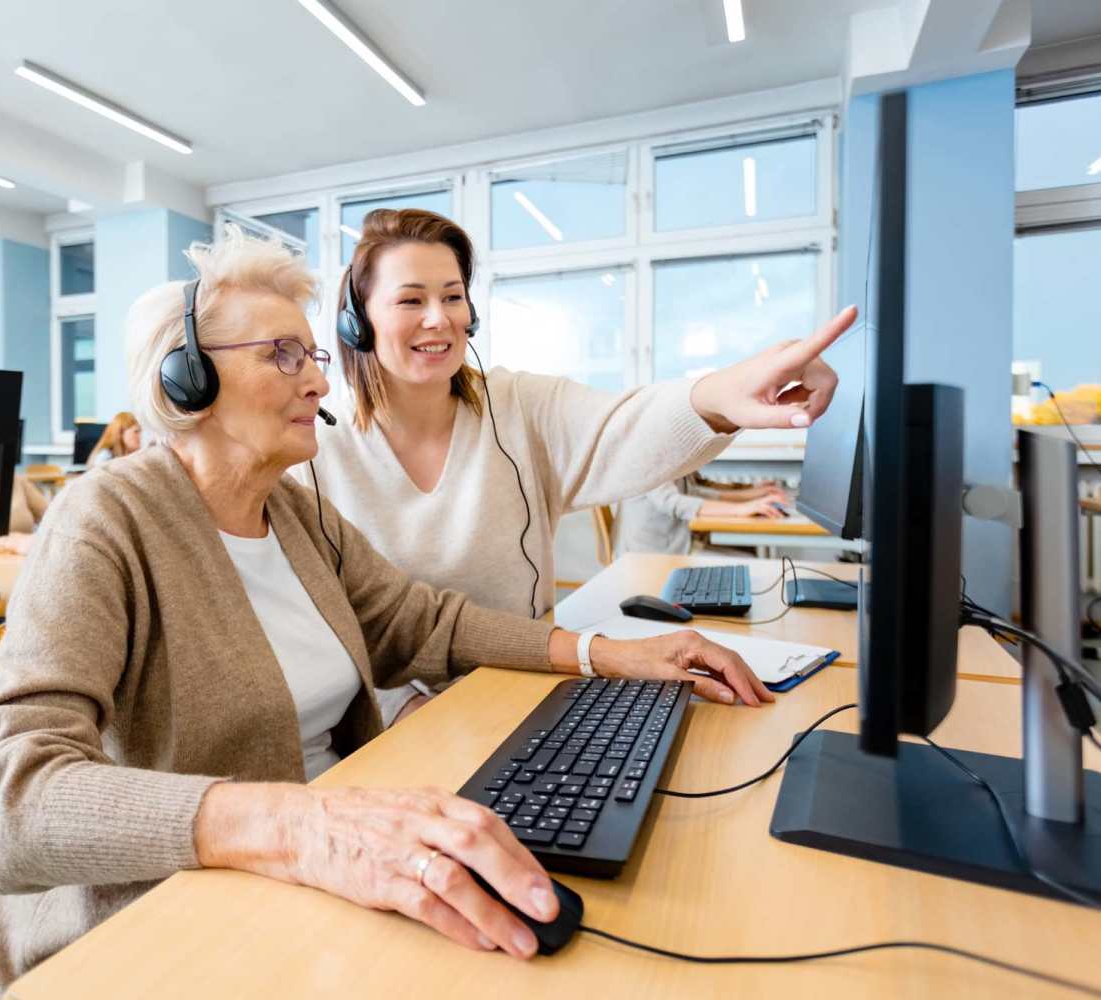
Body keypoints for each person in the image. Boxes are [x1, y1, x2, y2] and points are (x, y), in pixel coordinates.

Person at [0, 227, 774, 996]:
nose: (318, 375)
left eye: (312, 352)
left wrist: (608, 654)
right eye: (283, 354)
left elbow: (424, 625)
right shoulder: (106, 521)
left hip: (316, 872)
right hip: (157, 922)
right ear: (184, 381)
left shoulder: (296, 515)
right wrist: (296, 824)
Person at [297, 209, 852, 723]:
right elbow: (327, 628)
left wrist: (721, 394)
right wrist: (397, 707)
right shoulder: (317, 449)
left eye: (454, 297)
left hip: (534, 678)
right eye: (411, 301)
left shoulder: (518, 405)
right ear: (358, 322)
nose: (440, 320)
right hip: (400, 716)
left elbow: (627, 424)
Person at [613, 475, 791, 556]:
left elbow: (695, 489)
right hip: (650, 554)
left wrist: (750, 494)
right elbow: (671, 501)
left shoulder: (678, 449)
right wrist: (741, 508)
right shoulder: (652, 449)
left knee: (749, 555)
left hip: (677, 543)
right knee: (749, 564)